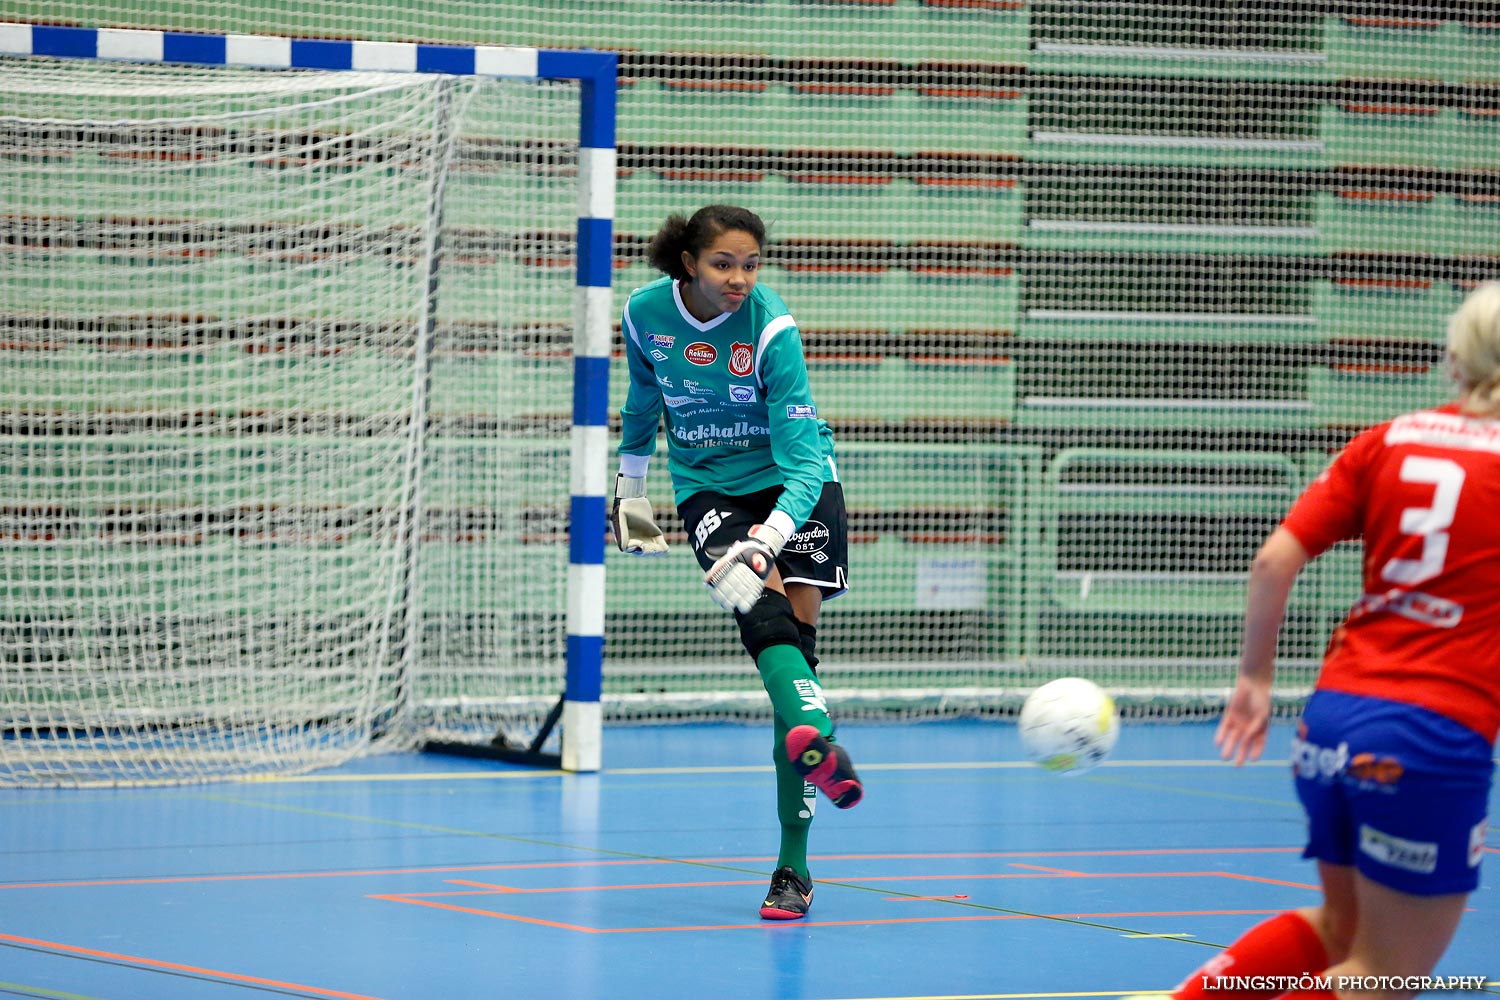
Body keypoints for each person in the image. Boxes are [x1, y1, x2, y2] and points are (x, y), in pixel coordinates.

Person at [1130, 281, 1500, 1000]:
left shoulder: (1389, 439)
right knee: (1384, 977)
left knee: (1339, 927)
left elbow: (1274, 560)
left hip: (1332, 719)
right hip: (1430, 736)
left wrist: (1255, 681)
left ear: (1455, 359)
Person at [608, 204, 863, 921]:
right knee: (767, 626)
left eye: (751, 264)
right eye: (724, 263)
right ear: (689, 262)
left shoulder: (774, 330)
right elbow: (642, 401)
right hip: (708, 483)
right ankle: (825, 752)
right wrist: (631, 497)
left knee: (797, 660)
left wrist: (768, 539)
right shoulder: (643, 313)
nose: (740, 278)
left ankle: (794, 867)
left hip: (797, 482)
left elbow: (805, 464)